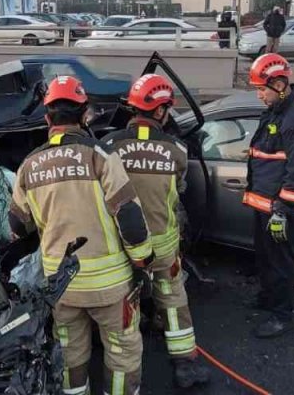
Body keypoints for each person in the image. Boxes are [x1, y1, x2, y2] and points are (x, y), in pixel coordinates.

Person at [9, 76, 156, 394]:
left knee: (69, 355)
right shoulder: (100, 155)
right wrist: (144, 261)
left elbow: (18, 227)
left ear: (47, 119)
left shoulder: (29, 165)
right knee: (122, 351)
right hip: (110, 287)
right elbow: (130, 219)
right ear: (85, 114)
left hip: (61, 286)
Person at [104, 74, 210, 389]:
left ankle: (127, 364)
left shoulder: (109, 146)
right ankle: (185, 365)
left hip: (122, 245)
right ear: (161, 110)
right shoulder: (177, 149)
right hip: (162, 244)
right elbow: (179, 190)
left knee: (124, 303)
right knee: (173, 298)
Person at [243, 53, 294, 338]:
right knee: (265, 256)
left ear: (278, 84)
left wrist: (281, 210)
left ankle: (281, 315)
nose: (259, 95)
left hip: (277, 206)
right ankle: (268, 297)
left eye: (261, 89)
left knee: (279, 262)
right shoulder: (279, 109)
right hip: (264, 200)